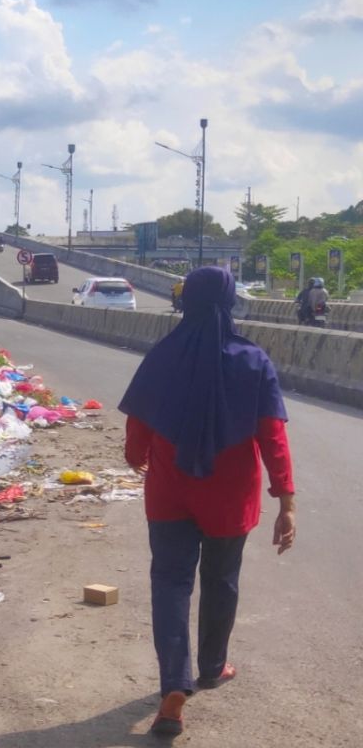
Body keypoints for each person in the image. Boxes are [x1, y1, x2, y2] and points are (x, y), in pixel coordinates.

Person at [119, 266, 295, 738]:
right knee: (221, 579)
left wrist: (137, 457)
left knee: (170, 583)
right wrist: (287, 500)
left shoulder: (163, 354)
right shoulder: (252, 360)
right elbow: (273, 436)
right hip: (230, 495)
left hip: (170, 490)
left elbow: (140, 423)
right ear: (229, 301)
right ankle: (213, 666)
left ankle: (174, 689)